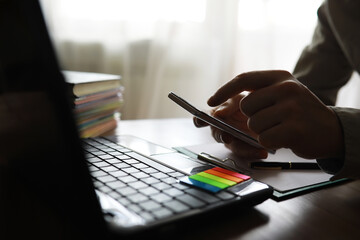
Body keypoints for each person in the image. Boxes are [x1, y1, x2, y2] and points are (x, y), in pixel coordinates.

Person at [194, 0, 360, 180]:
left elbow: (317, 116)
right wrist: (259, 119)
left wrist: (338, 132)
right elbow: (310, 100)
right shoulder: (338, 8)